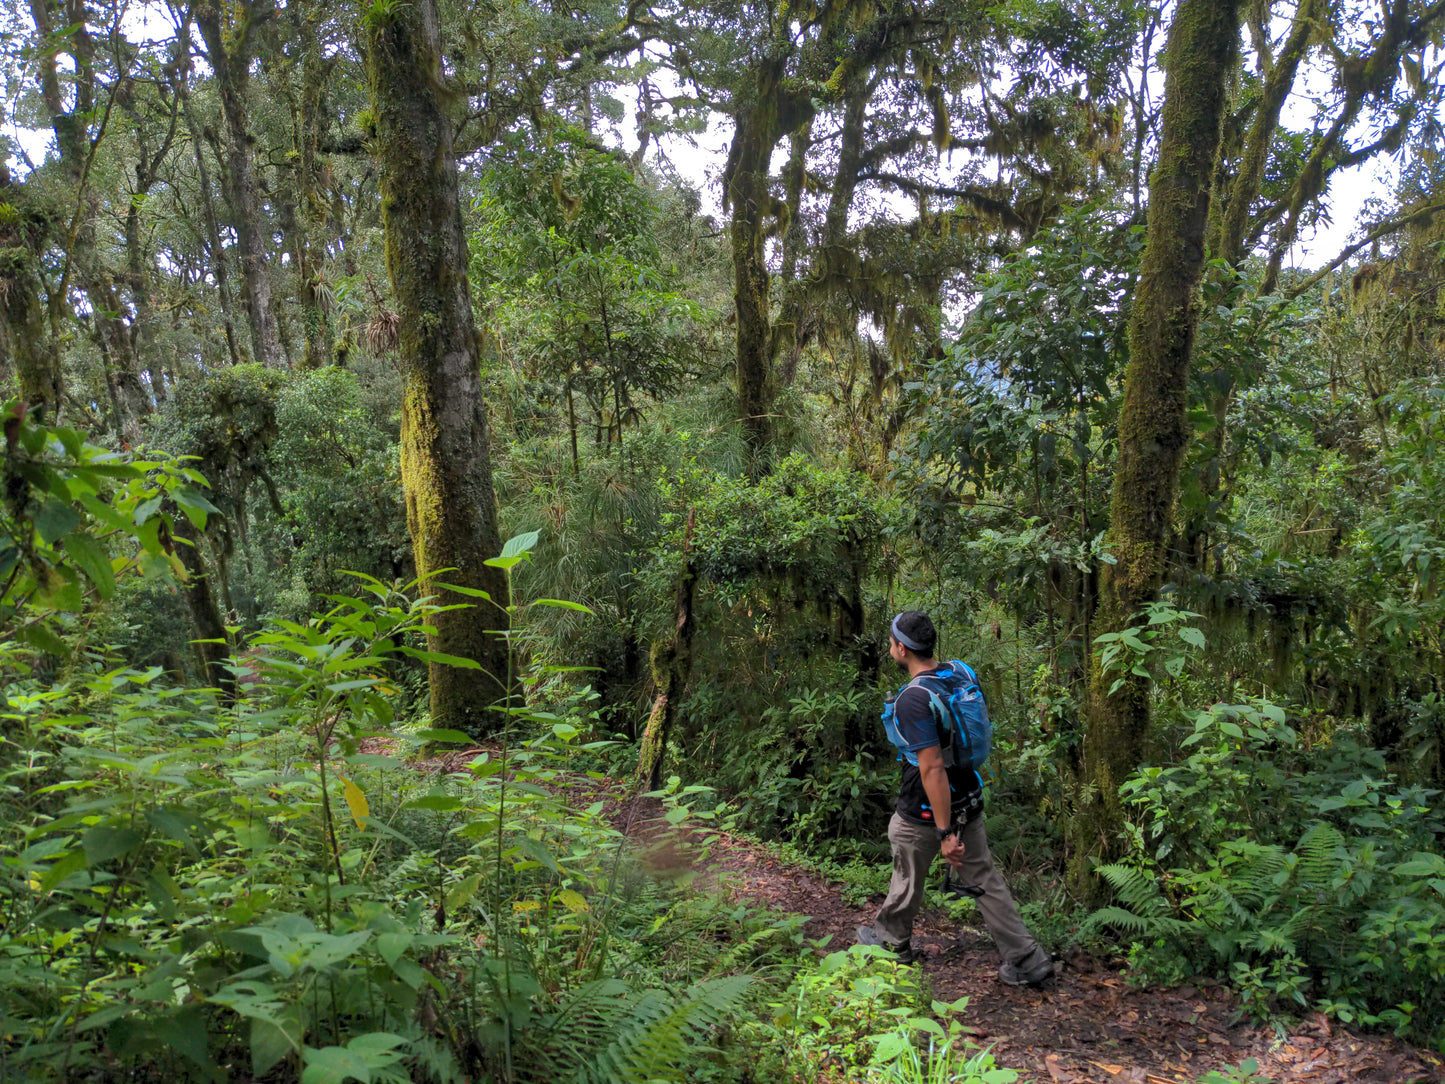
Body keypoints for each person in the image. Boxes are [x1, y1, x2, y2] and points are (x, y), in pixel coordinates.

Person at [855, 610, 1054, 986]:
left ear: (901, 648)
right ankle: (1028, 960)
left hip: (926, 806)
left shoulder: (913, 699)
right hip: (969, 793)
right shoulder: (960, 671)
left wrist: (945, 832)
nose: (890, 648)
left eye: (891, 642)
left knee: (908, 868)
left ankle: (891, 942)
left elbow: (931, 769)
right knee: (983, 878)